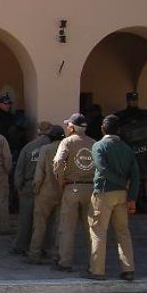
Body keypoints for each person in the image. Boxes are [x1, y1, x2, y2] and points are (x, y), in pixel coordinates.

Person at [80, 114, 139, 281]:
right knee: (123, 231)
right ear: (119, 130)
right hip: (122, 194)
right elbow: (135, 174)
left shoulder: (99, 146)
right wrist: (132, 196)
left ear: (102, 129)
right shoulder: (127, 148)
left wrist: (120, 182)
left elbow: (102, 169)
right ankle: (128, 269)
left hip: (104, 192)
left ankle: (97, 270)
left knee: (98, 231)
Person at [52, 113, 96, 272]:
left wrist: (61, 179)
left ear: (71, 128)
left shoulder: (67, 142)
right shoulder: (94, 143)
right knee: (92, 229)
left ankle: (65, 262)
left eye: (68, 125)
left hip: (72, 187)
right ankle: (95, 263)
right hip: (91, 188)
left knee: (67, 227)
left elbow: (58, 161)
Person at [10, 121, 53, 256]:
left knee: (25, 219)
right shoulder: (53, 147)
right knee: (46, 220)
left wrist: (18, 186)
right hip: (48, 186)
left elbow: (19, 169)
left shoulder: (28, 147)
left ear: (38, 131)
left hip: (29, 185)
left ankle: (21, 246)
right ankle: (43, 247)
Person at [25, 125, 65, 264]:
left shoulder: (46, 149)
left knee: (40, 224)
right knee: (59, 226)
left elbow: (39, 173)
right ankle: (57, 255)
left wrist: (36, 188)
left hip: (46, 191)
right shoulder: (67, 148)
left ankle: (34, 254)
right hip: (63, 191)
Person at [115, 92, 147, 207]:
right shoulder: (122, 116)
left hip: (143, 148)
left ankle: (143, 196)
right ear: (127, 101)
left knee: (144, 174)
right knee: (132, 175)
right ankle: (134, 197)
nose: (133, 102)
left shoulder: (144, 114)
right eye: (131, 100)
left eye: (135, 100)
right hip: (130, 149)